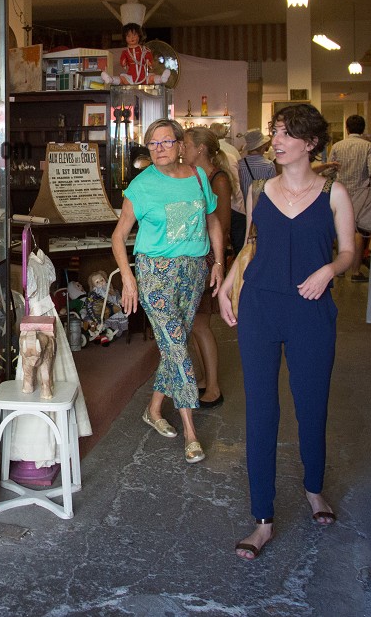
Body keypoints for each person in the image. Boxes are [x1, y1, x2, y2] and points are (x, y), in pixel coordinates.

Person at [218, 104, 356, 560]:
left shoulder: (334, 193)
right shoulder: (258, 189)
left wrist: (329, 270)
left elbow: (351, 252)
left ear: (310, 143)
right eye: (275, 132)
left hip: (312, 309)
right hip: (260, 306)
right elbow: (250, 247)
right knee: (261, 410)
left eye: (285, 133)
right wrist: (227, 284)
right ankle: (262, 519)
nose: (276, 140)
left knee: (311, 402)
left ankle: (315, 488)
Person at [110, 118, 225, 464]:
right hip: (155, 274)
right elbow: (118, 236)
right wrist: (129, 280)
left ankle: (154, 408)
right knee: (178, 348)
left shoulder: (198, 177)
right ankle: (191, 432)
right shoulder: (141, 186)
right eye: (152, 144)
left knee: (174, 344)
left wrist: (218, 262)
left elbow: (212, 220)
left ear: (179, 144)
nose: (158, 149)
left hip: (193, 273)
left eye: (165, 142)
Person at [183, 126, 236, 409]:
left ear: (200, 148)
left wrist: (217, 262)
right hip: (196, 255)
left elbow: (222, 224)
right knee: (195, 324)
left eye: (186, 144)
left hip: (206, 257)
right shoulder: (195, 176)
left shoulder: (218, 178)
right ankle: (205, 378)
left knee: (201, 324)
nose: (182, 149)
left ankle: (213, 386)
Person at [322, 115, 371, 281]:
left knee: (341, 228)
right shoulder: (368, 146)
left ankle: (339, 269)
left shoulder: (338, 146)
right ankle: (355, 271)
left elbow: (329, 170)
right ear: (363, 128)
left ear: (347, 128)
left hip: (340, 191)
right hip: (361, 192)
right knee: (358, 230)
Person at [234, 129, 273, 251]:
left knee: (247, 244)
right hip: (264, 210)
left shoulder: (239, 164)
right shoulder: (269, 165)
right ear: (261, 146)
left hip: (244, 209)